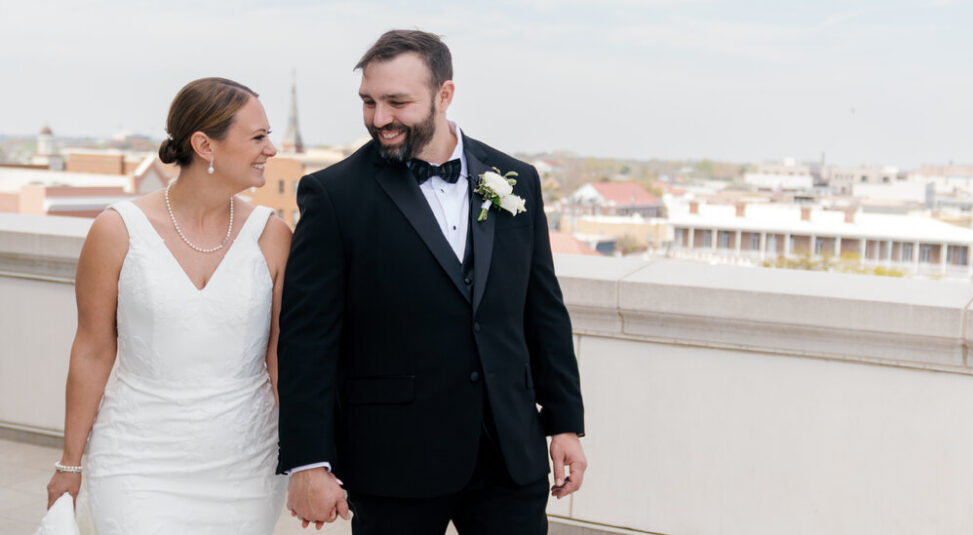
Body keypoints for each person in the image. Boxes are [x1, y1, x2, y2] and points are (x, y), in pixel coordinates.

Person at [277, 30, 587, 534]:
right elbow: (307, 338)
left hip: (508, 455)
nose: (380, 119)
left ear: (445, 95)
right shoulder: (333, 195)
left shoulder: (516, 178)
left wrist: (565, 422)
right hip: (392, 460)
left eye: (397, 102)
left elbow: (542, 309)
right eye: (369, 102)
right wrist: (308, 461)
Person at [44, 77, 291, 534]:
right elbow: (93, 350)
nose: (271, 149)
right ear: (205, 145)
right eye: (258, 137)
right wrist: (70, 464)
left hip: (246, 464)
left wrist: (304, 461)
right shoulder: (117, 230)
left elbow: (282, 357)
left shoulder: (273, 235)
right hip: (135, 459)